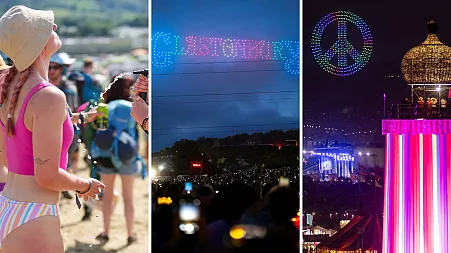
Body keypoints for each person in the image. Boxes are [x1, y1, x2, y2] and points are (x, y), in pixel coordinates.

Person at [0, 6, 105, 253]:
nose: (54, 27)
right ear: (37, 43)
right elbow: (47, 176)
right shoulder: (49, 96)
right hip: (35, 214)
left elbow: (6, 153)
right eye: (46, 27)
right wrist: (85, 184)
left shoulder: (7, 86)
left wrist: (70, 120)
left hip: (9, 203)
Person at [91, 75, 140, 245]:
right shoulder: (132, 107)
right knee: (128, 198)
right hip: (127, 156)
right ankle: (130, 234)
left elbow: (101, 132)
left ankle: (105, 232)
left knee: (108, 196)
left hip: (106, 158)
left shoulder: (105, 107)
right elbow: (136, 132)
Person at [49, 53, 80, 200]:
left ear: (61, 69)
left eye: (55, 67)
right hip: (48, 131)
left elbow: (70, 113)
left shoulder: (69, 88)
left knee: (65, 162)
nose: (52, 70)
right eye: (49, 67)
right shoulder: (44, 85)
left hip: (67, 130)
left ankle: (65, 186)